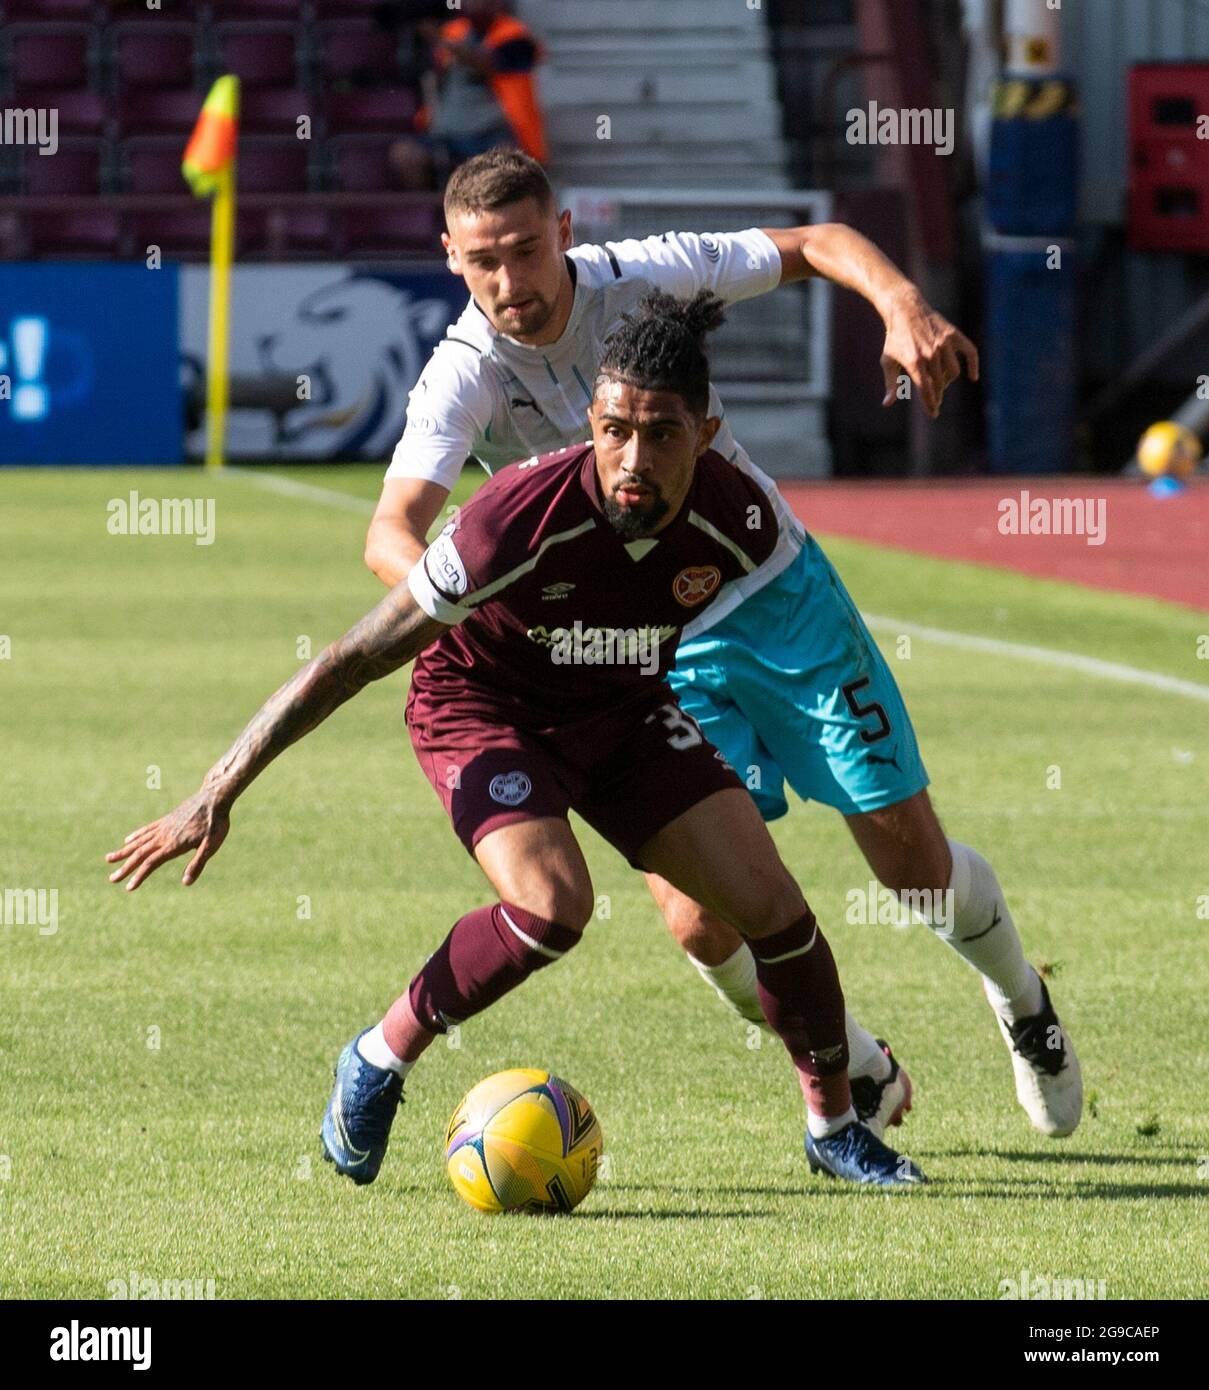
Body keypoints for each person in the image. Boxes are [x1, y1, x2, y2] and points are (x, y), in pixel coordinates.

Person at [105, 292, 927, 1192]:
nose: (633, 459)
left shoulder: (744, 523)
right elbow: (348, 660)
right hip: (481, 706)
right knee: (551, 908)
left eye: (661, 435)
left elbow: (773, 632)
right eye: (615, 430)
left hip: (619, 713)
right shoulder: (512, 521)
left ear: (706, 433)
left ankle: (836, 1129)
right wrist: (217, 788)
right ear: (590, 420)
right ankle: (378, 1058)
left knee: (776, 912)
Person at [364, 148, 1083, 1139]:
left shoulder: (647, 277)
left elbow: (817, 242)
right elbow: (393, 530)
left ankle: (1023, 1004)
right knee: (701, 917)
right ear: (450, 257)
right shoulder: (464, 377)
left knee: (909, 863)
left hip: (771, 595)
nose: (508, 281)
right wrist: (470, 593)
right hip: (645, 642)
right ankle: (857, 1069)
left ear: (563, 232)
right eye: (482, 260)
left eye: (525, 251)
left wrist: (902, 305)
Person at [391, 0, 546, 192]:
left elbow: (488, 64)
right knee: (405, 154)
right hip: (447, 133)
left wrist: (442, 42)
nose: (473, 4)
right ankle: (430, 216)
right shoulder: (454, 31)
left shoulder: (517, 35)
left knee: (508, 161)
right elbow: (429, 73)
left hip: (493, 132)